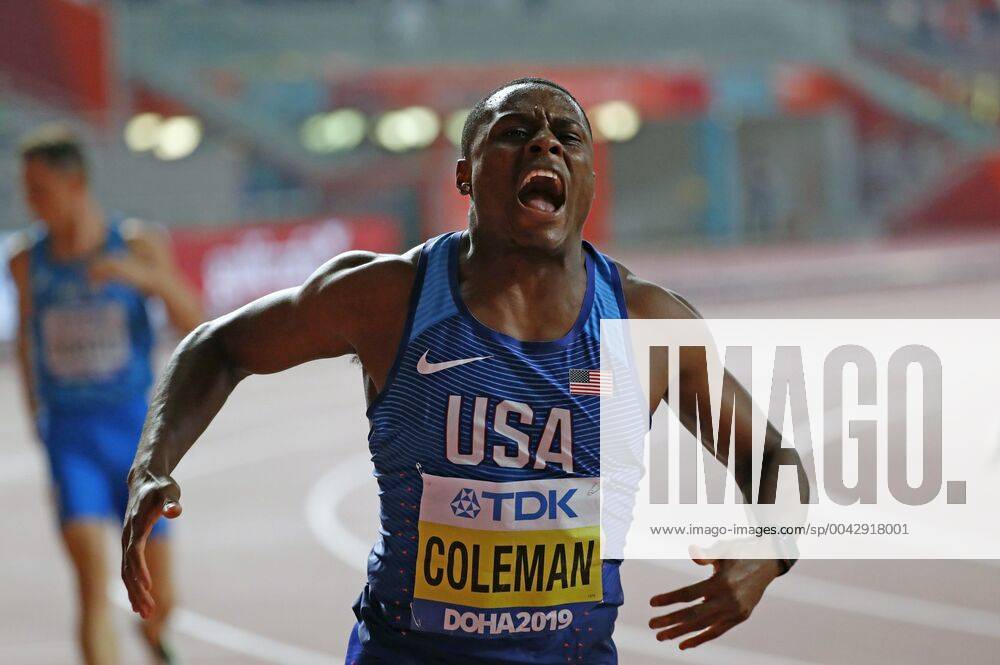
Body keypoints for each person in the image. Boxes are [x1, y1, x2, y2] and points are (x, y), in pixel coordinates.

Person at [121, 78, 803, 664]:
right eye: (516, 132)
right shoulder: (390, 299)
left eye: (568, 134)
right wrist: (152, 461)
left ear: (587, 176)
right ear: (464, 176)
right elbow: (218, 345)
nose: (546, 143)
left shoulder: (647, 325)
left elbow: (773, 455)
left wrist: (770, 552)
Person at [9, 125, 203, 665]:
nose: (30, 202)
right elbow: (27, 344)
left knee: (159, 599)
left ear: (76, 184)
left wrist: (141, 277)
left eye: (39, 189)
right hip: (69, 436)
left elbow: (196, 321)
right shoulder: (26, 261)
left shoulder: (137, 243)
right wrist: (38, 419)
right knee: (93, 585)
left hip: (137, 437)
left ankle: (155, 640)